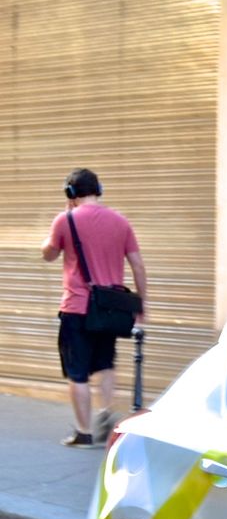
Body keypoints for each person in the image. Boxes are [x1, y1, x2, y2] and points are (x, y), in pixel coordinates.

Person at [40, 168, 147, 447]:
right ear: (99, 189)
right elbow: (137, 265)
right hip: (109, 309)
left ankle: (84, 432)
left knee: (78, 372)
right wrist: (139, 306)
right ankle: (106, 410)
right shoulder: (121, 221)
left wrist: (64, 216)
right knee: (106, 363)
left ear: (71, 193)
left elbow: (49, 254)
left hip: (76, 307)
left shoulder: (65, 220)